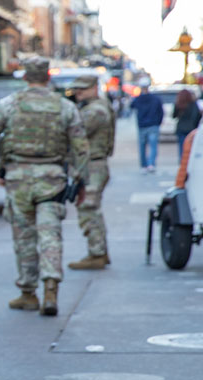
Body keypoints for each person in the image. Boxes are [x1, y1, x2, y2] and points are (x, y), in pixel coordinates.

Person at [0, 57, 89, 316]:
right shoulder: (65, 107)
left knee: (24, 237)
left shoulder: (9, 104)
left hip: (18, 180)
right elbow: (81, 146)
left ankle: (28, 293)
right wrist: (80, 180)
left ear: (25, 77)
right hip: (52, 179)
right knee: (50, 235)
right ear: (48, 77)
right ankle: (51, 289)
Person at [65, 75, 115, 270]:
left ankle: (97, 253)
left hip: (93, 165)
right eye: (76, 90)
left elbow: (74, 132)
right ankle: (99, 251)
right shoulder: (95, 107)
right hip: (91, 165)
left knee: (88, 209)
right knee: (91, 209)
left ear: (94, 88)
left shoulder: (95, 111)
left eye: (82, 89)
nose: (78, 93)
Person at [129, 85, 163, 173]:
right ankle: (150, 164)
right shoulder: (155, 99)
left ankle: (145, 165)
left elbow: (132, 106)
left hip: (144, 125)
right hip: (151, 124)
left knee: (144, 146)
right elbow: (161, 112)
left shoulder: (139, 99)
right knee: (152, 146)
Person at [172, 89, 201, 159]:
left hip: (181, 128)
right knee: (190, 147)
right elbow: (197, 116)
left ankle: (182, 162)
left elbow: (174, 116)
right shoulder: (193, 104)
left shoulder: (178, 104)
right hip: (191, 128)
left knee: (182, 147)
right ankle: (188, 162)